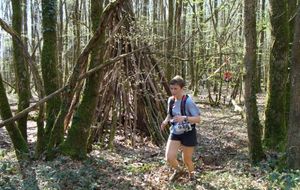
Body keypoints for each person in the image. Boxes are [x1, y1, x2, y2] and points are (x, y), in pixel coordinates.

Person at [161, 75, 201, 182]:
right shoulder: (171, 100)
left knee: (187, 159)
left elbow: (198, 119)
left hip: (188, 132)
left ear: (182, 88)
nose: (173, 91)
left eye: (176, 89)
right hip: (175, 131)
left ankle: (192, 176)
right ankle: (178, 171)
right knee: (169, 157)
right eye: (171, 88)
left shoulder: (188, 102)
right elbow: (170, 114)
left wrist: (184, 118)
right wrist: (165, 121)